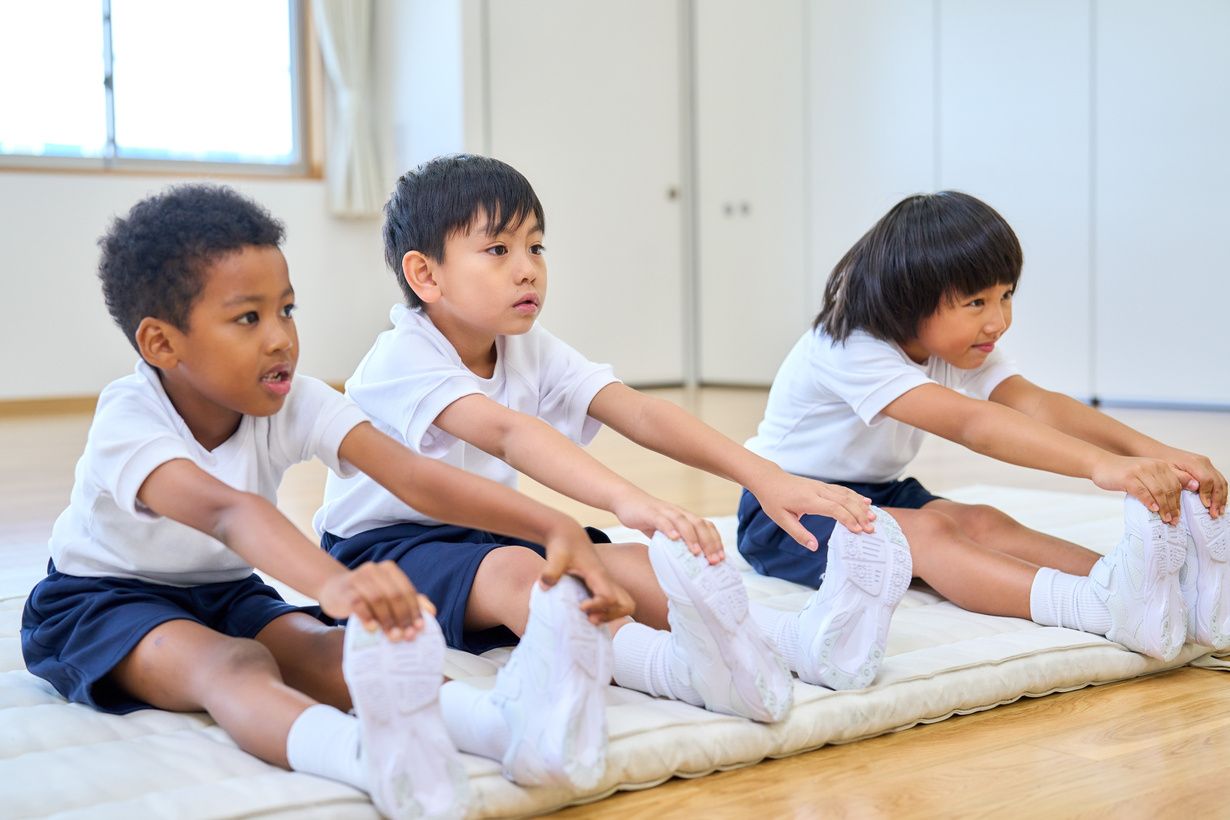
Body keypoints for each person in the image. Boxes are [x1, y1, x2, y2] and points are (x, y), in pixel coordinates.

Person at [20, 185, 634, 820]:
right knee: (233, 664)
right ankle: (367, 760)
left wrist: (552, 524)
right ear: (161, 345)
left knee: (331, 649)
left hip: (226, 591)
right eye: (247, 318)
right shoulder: (130, 417)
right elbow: (230, 513)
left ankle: (500, 727)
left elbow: (415, 477)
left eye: (286, 310)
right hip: (102, 600)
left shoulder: (297, 400)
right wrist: (340, 585)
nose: (281, 338)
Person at [314, 153, 887, 717]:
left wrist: (763, 475)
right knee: (529, 576)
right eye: (498, 250)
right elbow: (510, 434)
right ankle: (676, 670)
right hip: (382, 550)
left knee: (629, 561)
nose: (527, 268)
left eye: (535, 246)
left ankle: (796, 642)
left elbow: (635, 412)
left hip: (485, 528)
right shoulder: (402, 356)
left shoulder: (525, 345)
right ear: (425, 275)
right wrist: (629, 499)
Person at [738, 190, 1229, 670]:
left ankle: (1151, 588)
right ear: (908, 298)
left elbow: (1035, 404)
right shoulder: (848, 349)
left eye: (1006, 295)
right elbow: (974, 425)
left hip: (875, 491)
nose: (998, 321)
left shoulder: (953, 345)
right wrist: (1103, 466)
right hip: (785, 509)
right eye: (976, 302)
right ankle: (1097, 605)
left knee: (984, 522)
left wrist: (1158, 453)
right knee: (928, 533)